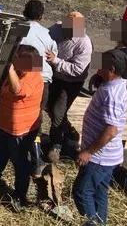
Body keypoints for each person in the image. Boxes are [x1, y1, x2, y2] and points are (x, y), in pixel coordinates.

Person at [73, 49, 127, 225]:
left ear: (111, 69)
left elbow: (111, 131)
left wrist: (88, 152)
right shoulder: (117, 85)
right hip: (109, 157)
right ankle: (100, 222)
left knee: (82, 192)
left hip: (99, 157)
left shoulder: (111, 94)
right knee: (99, 192)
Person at [0, 45, 44, 212]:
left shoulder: (33, 77)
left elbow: (17, 90)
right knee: (0, 153)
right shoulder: (19, 72)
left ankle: (20, 194)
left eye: (16, 59)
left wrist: (10, 69)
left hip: (20, 130)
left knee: (19, 161)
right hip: (5, 125)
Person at [46, 12, 93, 162]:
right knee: (48, 106)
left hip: (71, 82)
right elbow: (47, 40)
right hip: (54, 76)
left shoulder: (84, 43)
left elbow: (77, 70)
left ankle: (56, 145)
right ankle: (69, 132)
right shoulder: (56, 28)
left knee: (58, 111)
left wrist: (55, 61)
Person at [18, 0, 58, 176]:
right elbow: (52, 55)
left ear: (24, 12)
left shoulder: (18, 29)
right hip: (40, 80)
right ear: (41, 16)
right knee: (35, 120)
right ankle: (36, 162)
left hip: (19, 77)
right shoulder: (47, 34)